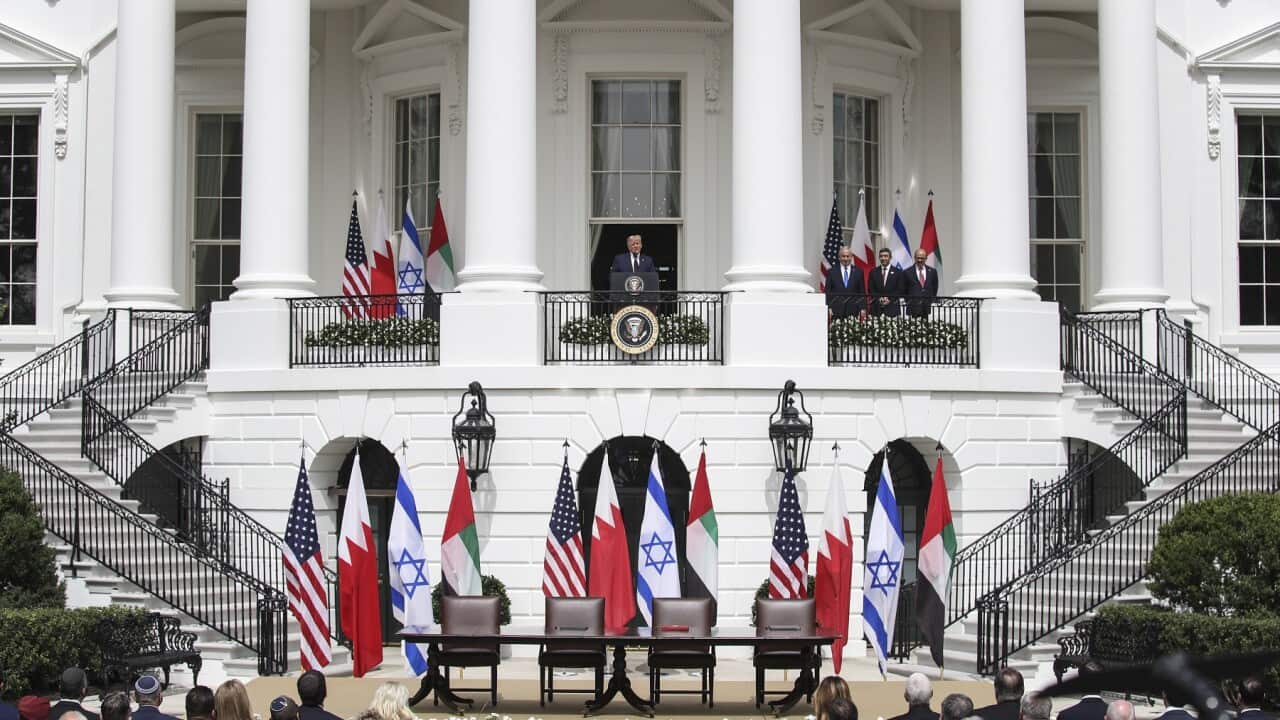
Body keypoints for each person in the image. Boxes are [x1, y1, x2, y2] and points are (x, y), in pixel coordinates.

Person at [825, 245, 867, 320]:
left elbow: (862, 292)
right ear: (839, 257)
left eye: (848, 256)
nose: (845, 258)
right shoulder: (831, 272)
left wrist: (862, 308)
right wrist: (829, 307)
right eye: (843, 256)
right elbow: (828, 291)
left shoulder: (858, 272)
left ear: (851, 257)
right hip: (836, 311)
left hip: (853, 310)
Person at [903, 248, 939, 317]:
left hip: (927, 308)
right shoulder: (907, 272)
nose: (920, 260)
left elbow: (935, 287)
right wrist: (909, 301)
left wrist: (930, 300)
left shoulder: (932, 271)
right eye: (918, 258)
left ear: (926, 258)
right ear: (915, 258)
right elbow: (904, 289)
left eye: (922, 258)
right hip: (912, 308)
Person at [869, 247, 902, 317]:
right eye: (881, 256)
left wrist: (889, 299)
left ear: (890, 257)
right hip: (876, 308)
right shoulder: (873, 272)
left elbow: (900, 289)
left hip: (892, 308)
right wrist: (879, 298)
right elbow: (871, 289)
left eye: (886, 256)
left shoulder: (898, 272)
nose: (883, 258)